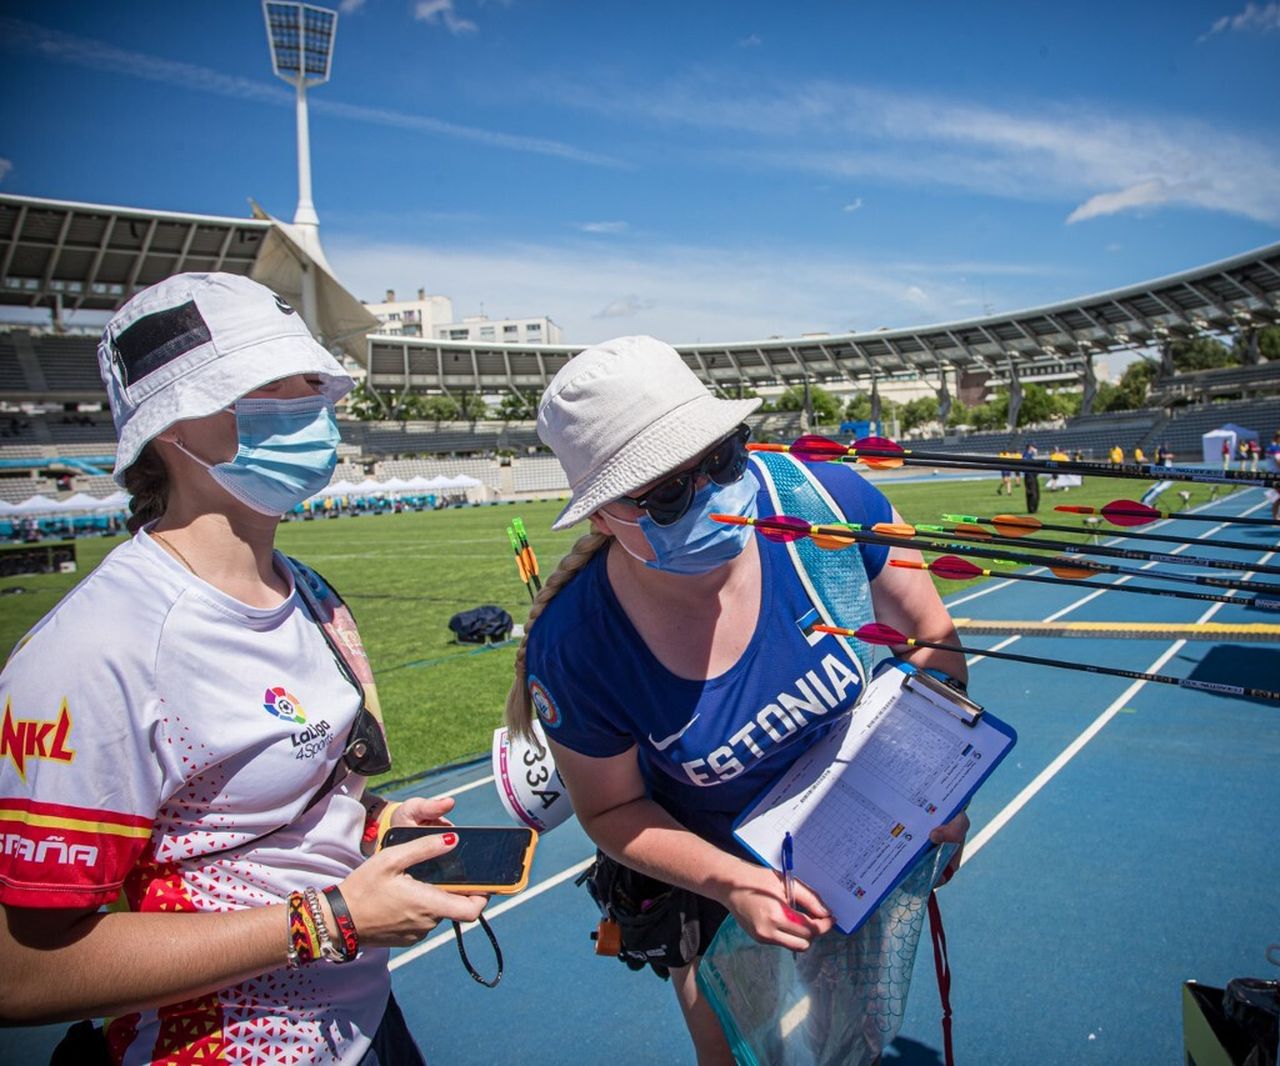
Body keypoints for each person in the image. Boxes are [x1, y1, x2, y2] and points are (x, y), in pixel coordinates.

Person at [0, 274, 483, 1064]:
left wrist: (375, 825)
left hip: (366, 1024)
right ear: (169, 427)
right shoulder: (95, 653)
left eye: (314, 384)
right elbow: (19, 974)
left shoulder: (310, 591)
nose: (307, 403)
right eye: (265, 387)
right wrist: (327, 921)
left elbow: (267, 811)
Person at [504, 336, 970, 1063]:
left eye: (721, 459)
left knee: (853, 1045)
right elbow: (611, 810)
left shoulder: (830, 503)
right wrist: (732, 882)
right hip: (707, 870)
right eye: (664, 493)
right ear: (602, 518)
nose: (713, 496)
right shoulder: (578, 649)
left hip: (852, 832)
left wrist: (928, 779)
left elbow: (929, 633)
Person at [1022, 441, 1041, 514]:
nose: (1035, 449)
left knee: (1036, 493)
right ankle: (1032, 509)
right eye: (1034, 447)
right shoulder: (1026, 455)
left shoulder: (1031, 455)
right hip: (1029, 476)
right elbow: (1026, 465)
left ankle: (1034, 509)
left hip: (1033, 476)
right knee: (1032, 493)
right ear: (1030, 447)